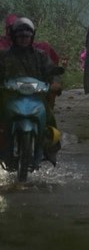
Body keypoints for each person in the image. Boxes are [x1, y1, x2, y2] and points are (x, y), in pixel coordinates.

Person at [0, 17, 63, 164]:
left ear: (32, 37)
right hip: (8, 97)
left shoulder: (41, 55)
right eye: (20, 36)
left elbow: (52, 71)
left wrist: (55, 83)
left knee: (50, 118)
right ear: (14, 37)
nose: (23, 40)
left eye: (27, 37)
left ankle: (50, 149)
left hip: (36, 97)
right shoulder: (3, 56)